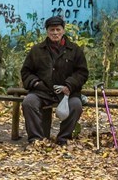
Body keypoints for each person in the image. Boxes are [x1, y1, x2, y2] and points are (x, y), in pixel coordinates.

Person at [20, 16, 89, 145]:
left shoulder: (75, 50)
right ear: (47, 31)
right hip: (42, 91)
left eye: (58, 29)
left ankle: (63, 139)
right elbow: (26, 72)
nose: (55, 33)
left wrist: (70, 85)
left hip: (67, 93)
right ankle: (36, 139)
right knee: (28, 102)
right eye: (52, 30)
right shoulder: (36, 50)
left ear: (63, 31)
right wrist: (35, 83)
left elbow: (82, 73)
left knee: (76, 106)